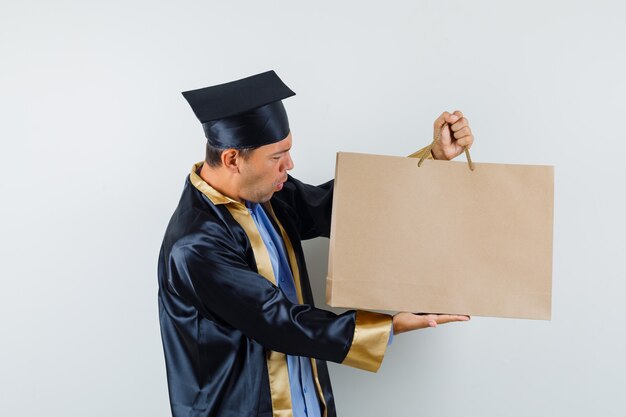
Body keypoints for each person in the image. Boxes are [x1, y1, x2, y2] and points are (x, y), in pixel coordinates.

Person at [158, 70, 473, 417]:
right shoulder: (196, 244)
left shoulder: (265, 194)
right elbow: (276, 320)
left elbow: (333, 207)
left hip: (304, 399)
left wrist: (433, 157)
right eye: (278, 157)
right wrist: (388, 325)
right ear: (233, 159)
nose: (289, 166)